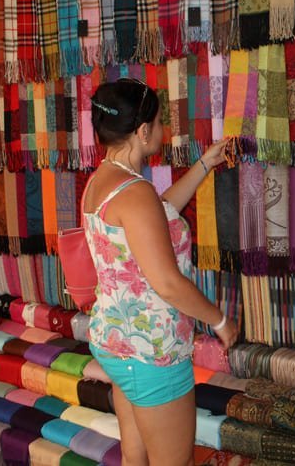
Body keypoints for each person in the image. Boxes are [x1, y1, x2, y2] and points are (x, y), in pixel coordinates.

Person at [82, 78, 237, 466]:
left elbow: (159, 215)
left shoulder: (104, 181)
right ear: (143, 130)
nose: (164, 129)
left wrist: (205, 164)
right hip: (151, 353)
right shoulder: (135, 194)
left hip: (117, 340)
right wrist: (219, 321)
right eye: (159, 121)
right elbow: (167, 283)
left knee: (136, 457)